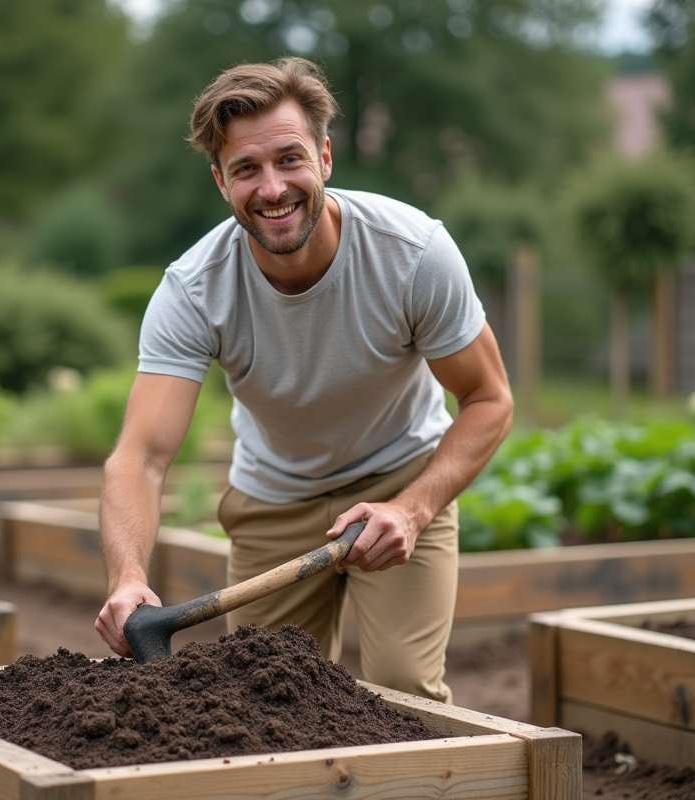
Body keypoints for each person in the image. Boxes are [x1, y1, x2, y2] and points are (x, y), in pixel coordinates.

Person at [94, 56, 512, 703]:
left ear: (324, 156)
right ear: (219, 181)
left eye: (289, 159)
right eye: (246, 169)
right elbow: (141, 457)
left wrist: (413, 507)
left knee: (404, 690)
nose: (272, 187)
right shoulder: (194, 290)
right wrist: (127, 577)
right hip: (275, 503)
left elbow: (489, 399)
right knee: (266, 703)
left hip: (397, 481)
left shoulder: (413, 254)